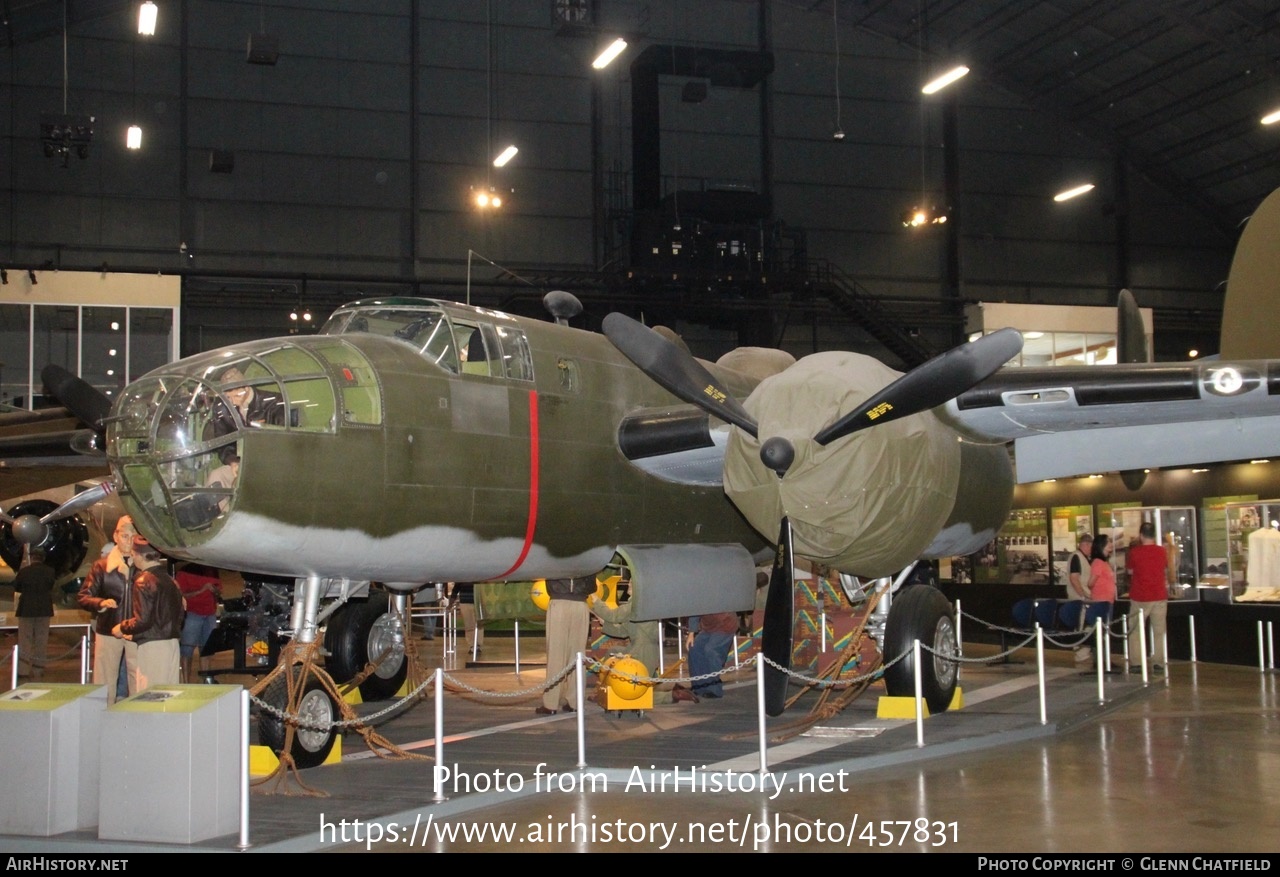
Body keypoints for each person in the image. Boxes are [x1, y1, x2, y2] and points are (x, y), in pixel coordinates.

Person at [78, 515, 139, 703]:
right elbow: (83, 596)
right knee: (104, 680)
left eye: (133, 537)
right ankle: (101, 714)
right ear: (116, 536)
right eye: (124, 535)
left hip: (135, 630)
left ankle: (138, 716)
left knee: (138, 678)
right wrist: (100, 603)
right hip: (108, 630)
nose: (128, 541)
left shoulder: (143, 567)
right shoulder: (101, 567)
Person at [114, 537, 184, 691]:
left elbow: (143, 620)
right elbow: (180, 612)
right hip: (171, 643)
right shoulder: (169, 580)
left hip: (153, 646)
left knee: (150, 694)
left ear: (139, 556)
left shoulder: (143, 581)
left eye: (133, 554)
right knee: (169, 694)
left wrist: (123, 627)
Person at [538, 575, 594, 715]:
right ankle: (575, 702)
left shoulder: (555, 553)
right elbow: (592, 585)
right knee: (578, 654)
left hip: (559, 602)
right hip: (580, 604)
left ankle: (551, 704)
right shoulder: (587, 554)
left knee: (556, 653)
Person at [1126, 521, 1172, 672]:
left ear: (1141, 536)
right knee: (1159, 630)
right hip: (1159, 595)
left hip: (1140, 596)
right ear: (1154, 535)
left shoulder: (1135, 552)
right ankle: (1158, 661)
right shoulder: (1161, 551)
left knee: (1135, 630)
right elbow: (1165, 569)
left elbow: (1130, 572)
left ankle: (1137, 662)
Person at [14, 550, 56, 680]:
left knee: (25, 639)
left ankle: (23, 670)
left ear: (31, 558)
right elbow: (51, 586)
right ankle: (39, 668)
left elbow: (17, 587)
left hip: (26, 609)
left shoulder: (24, 572)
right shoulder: (50, 571)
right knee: (41, 640)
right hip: (44, 609)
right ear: (42, 559)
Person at [175, 562, 221, 682]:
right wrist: (202, 590)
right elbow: (181, 595)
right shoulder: (185, 571)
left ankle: (206, 679)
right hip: (192, 613)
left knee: (207, 650)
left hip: (209, 613)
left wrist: (215, 591)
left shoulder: (212, 569)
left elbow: (219, 591)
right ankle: (185, 681)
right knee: (187, 649)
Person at [685, 611, 739, 699]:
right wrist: (691, 633)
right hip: (708, 628)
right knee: (694, 649)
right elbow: (694, 609)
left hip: (726, 625)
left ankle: (715, 690)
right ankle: (698, 687)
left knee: (711, 650)